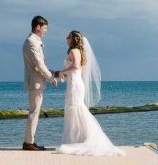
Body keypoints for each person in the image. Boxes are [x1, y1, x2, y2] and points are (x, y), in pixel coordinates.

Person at [55, 30, 123, 156]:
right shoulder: (78, 51)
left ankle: (77, 139)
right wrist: (64, 74)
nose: (66, 38)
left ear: (73, 39)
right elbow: (76, 70)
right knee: (76, 109)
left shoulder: (73, 51)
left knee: (75, 109)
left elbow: (75, 67)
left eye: (68, 36)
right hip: (75, 82)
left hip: (74, 84)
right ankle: (80, 138)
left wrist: (61, 72)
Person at [21, 15, 56, 151]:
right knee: (34, 112)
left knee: (35, 112)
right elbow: (39, 64)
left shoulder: (34, 41)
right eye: (45, 28)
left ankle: (30, 141)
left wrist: (51, 72)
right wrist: (50, 77)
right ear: (38, 27)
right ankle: (28, 142)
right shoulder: (32, 42)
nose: (46, 31)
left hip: (37, 81)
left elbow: (40, 64)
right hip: (35, 81)